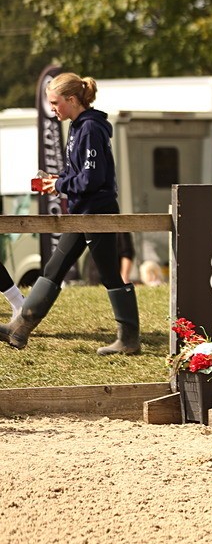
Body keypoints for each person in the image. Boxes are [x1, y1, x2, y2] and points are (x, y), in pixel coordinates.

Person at [2, 73, 140, 355]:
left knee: (110, 275)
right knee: (53, 269)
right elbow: (79, 174)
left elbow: (91, 179)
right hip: (82, 212)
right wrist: (59, 179)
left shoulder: (89, 128)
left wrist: (61, 184)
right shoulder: (78, 126)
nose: (52, 108)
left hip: (96, 213)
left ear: (72, 100)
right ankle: (20, 329)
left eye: (55, 103)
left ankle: (128, 340)